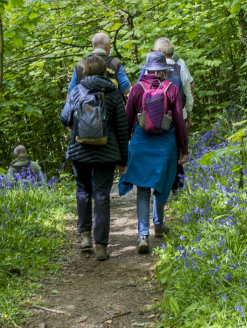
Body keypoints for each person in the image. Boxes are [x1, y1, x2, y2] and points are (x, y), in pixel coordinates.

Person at [60, 55, 130, 261]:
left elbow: (64, 117)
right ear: (104, 72)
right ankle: (101, 246)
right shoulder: (113, 92)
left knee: (82, 192)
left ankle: (85, 237)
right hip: (106, 152)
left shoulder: (75, 91)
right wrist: (123, 161)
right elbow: (122, 128)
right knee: (101, 196)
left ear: (85, 72)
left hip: (79, 150)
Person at [119, 51, 189, 254]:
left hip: (141, 142)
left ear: (147, 69)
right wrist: (183, 149)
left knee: (142, 189)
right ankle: (158, 225)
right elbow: (179, 122)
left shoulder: (136, 89)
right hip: (165, 144)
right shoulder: (171, 88)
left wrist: (123, 150)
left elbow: (127, 121)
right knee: (161, 184)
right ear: (164, 72)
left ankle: (142, 235)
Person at [136, 38, 195, 192]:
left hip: (150, 118)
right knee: (175, 153)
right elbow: (189, 90)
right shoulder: (180, 65)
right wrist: (188, 112)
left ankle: (156, 186)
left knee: (155, 151)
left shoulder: (147, 68)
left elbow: (137, 92)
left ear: (160, 52)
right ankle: (177, 189)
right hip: (176, 116)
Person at [67, 33, 132, 99]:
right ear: (107, 45)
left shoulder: (80, 66)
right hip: (111, 107)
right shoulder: (115, 63)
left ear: (93, 46)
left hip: (86, 107)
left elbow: (70, 93)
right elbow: (126, 89)